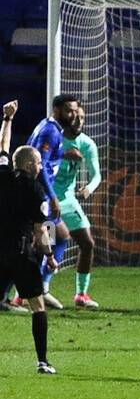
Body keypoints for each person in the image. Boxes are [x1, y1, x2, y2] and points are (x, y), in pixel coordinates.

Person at [0, 99, 57, 372]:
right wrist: (50, 257)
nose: (40, 166)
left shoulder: (2, 175)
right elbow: (40, 233)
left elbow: (3, 146)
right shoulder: (36, 192)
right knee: (38, 305)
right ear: (30, 165)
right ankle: (43, 361)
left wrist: (7, 119)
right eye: (37, 163)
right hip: (22, 253)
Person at [6, 93, 77, 310]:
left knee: (47, 239)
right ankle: (30, 291)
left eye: (75, 111)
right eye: (69, 110)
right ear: (57, 110)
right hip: (39, 196)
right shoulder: (50, 132)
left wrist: (64, 154)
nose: (73, 115)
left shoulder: (50, 128)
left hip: (37, 195)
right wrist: (52, 197)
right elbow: (41, 168)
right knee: (36, 242)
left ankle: (25, 291)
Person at [53, 105, 101, 308]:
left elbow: (97, 174)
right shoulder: (54, 138)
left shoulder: (87, 144)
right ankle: (22, 294)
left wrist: (89, 188)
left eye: (82, 117)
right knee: (43, 247)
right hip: (48, 200)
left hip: (68, 200)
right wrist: (63, 154)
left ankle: (81, 294)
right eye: (75, 117)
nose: (79, 121)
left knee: (87, 243)